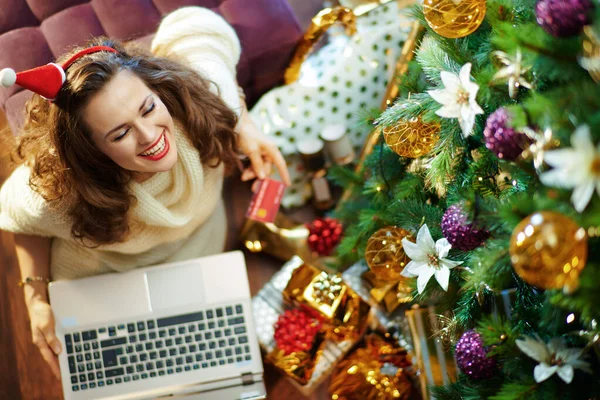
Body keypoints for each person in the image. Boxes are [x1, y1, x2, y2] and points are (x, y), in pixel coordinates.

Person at [0, 7, 290, 379]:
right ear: (93, 151)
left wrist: (240, 118)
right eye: (120, 134)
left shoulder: (195, 105)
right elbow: (19, 218)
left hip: (199, 255)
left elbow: (196, 23)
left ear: (157, 87)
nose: (151, 137)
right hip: (103, 284)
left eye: (148, 108)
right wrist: (35, 297)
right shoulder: (65, 189)